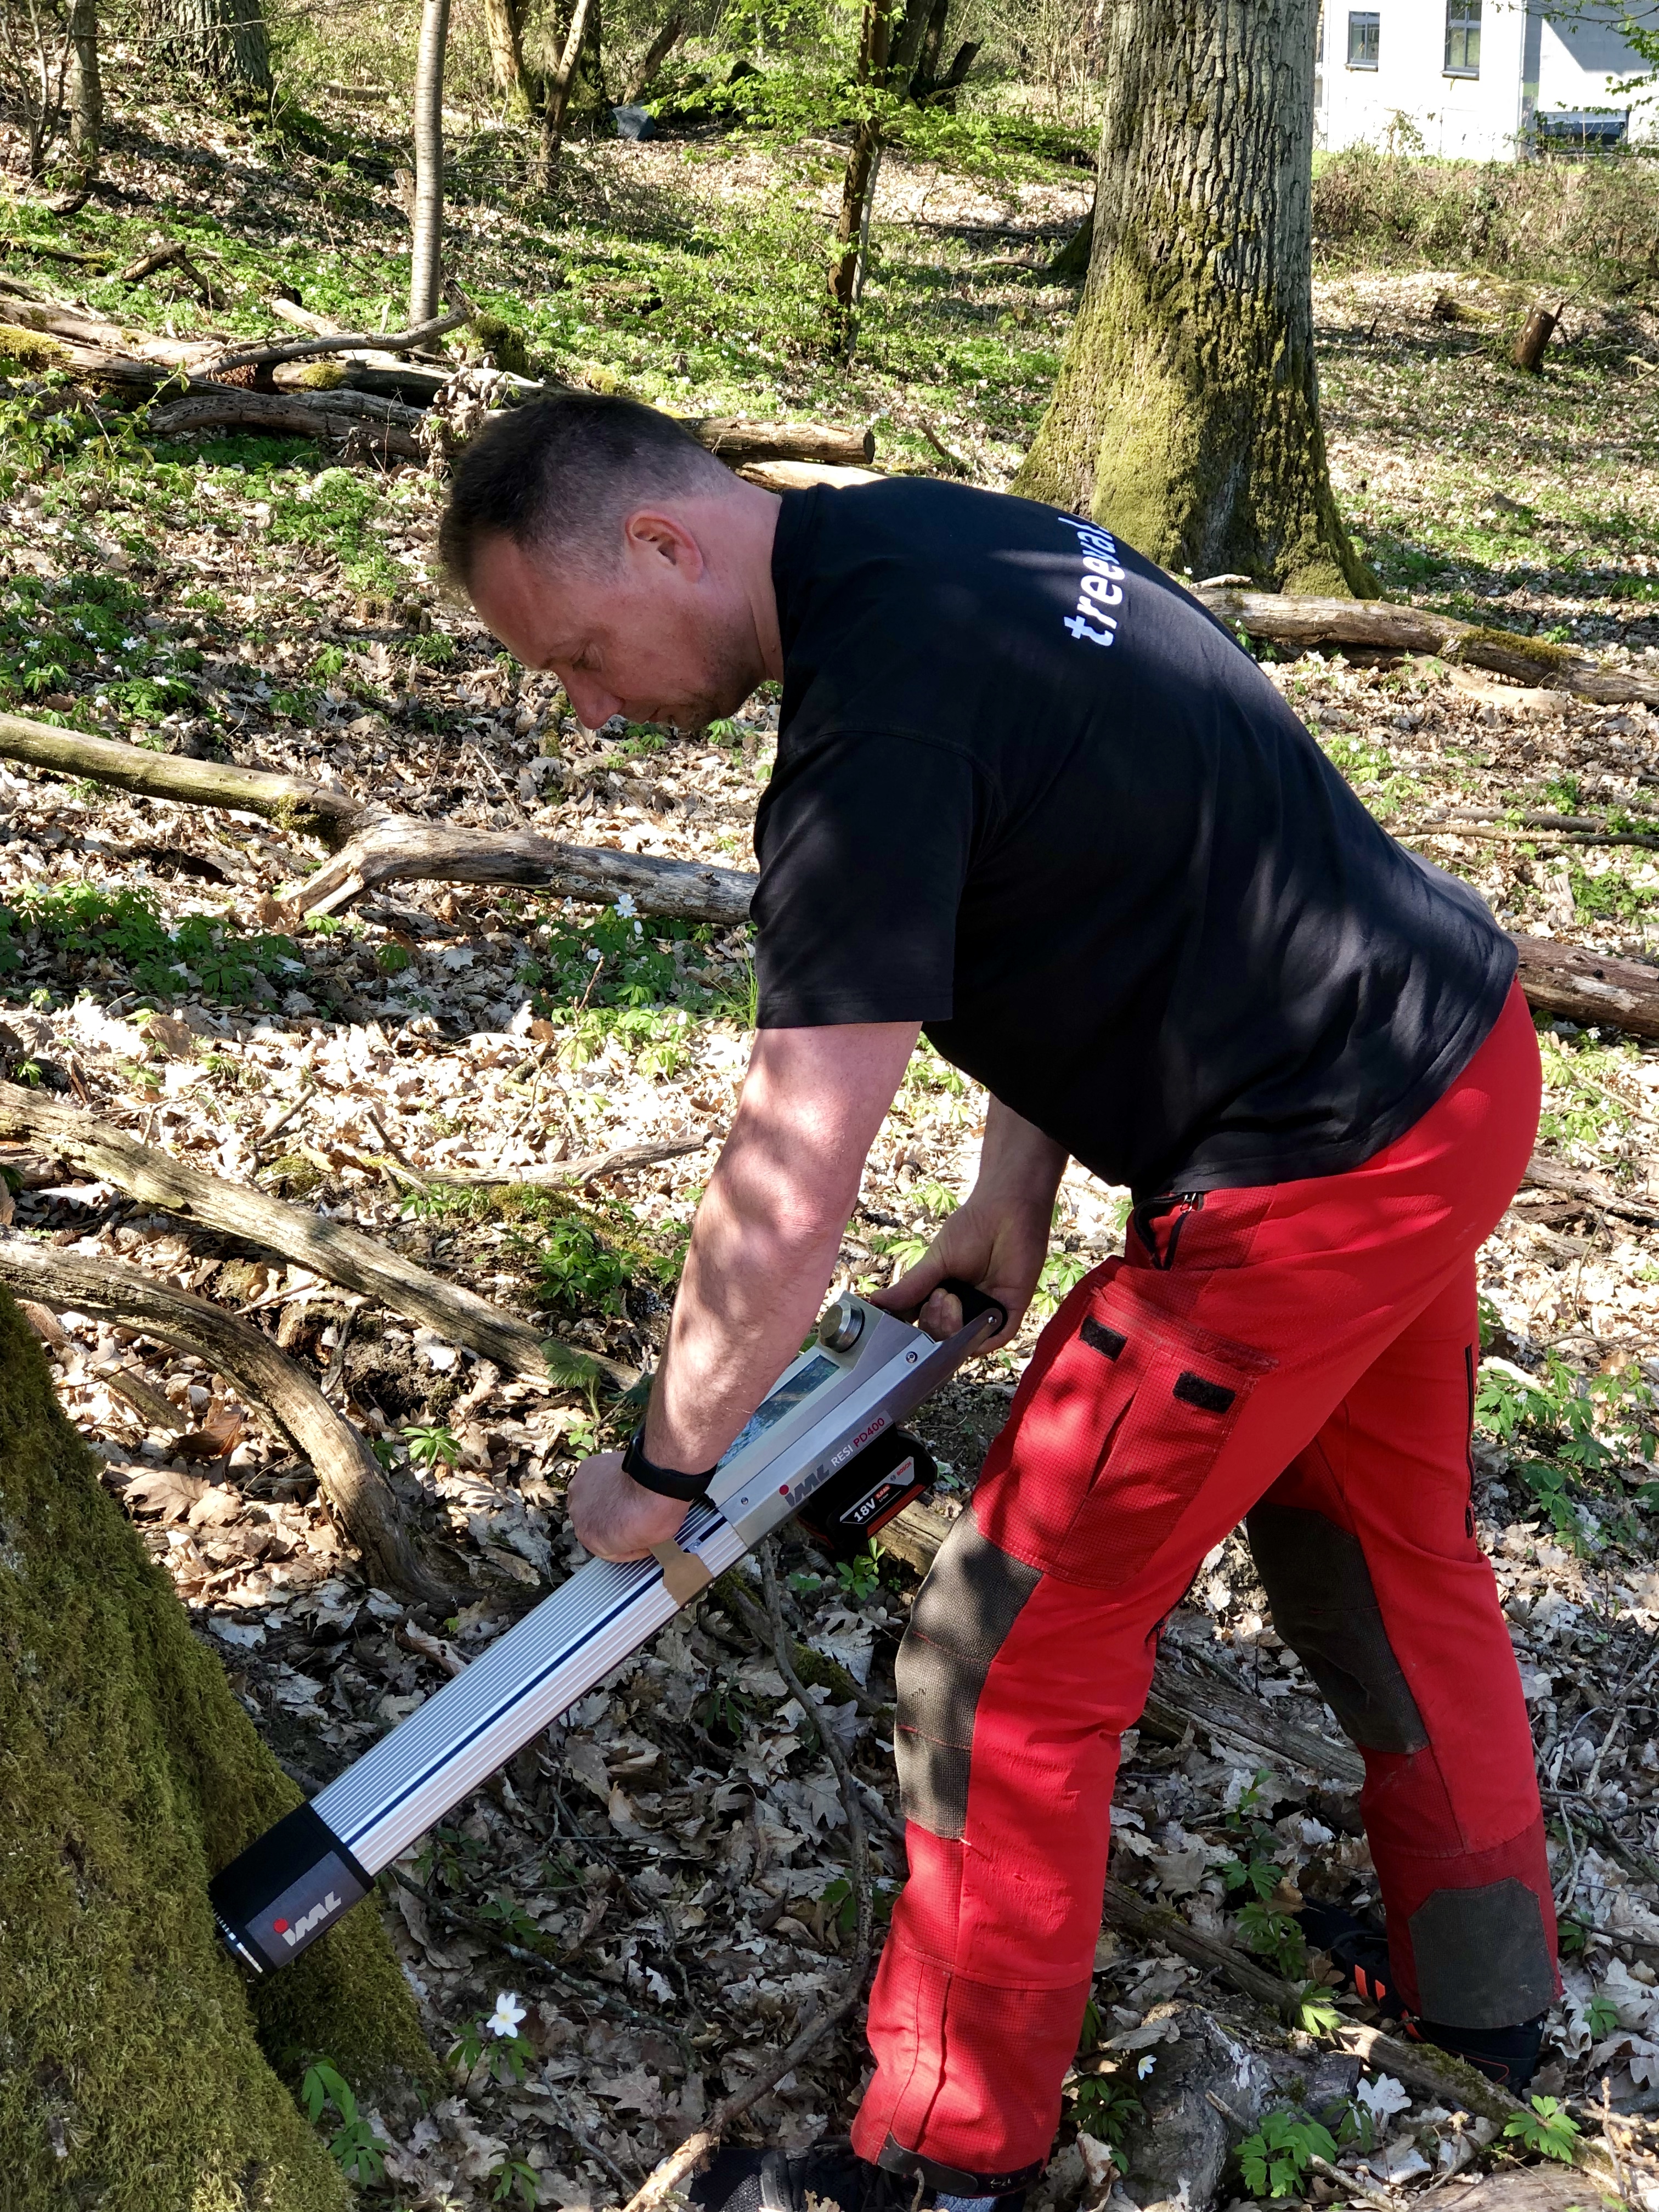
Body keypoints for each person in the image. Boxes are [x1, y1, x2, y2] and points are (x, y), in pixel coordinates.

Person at [437, 393, 1556, 2212]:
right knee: (1382, 1540)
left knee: (1002, 1654)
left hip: (1313, 1177)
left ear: (663, 545)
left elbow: (793, 1182)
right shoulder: (940, 542)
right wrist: (1010, 1193)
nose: (587, 706)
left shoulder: (870, 732)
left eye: (575, 655)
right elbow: (1073, 871)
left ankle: (949, 2164)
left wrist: (662, 1463)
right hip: (1453, 1061)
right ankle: (1485, 1984)